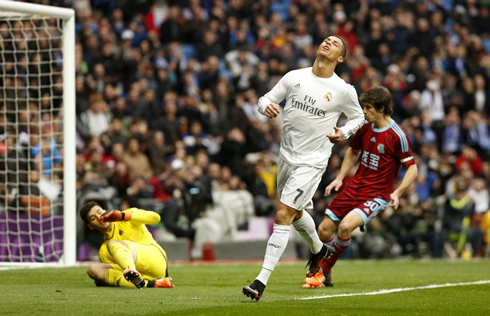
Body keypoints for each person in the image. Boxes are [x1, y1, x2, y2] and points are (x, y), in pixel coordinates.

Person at [242, 35, 365, 301]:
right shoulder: (294, 76)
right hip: (285, 157)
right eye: (326, 39)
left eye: (335, 43)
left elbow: (359, 117)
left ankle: (260, 282)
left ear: (341, 58)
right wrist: (267, 108)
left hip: (312, 161)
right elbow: (264, 100)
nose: (328, 42)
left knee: (284, 212)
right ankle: (320, 250)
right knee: (296, 213)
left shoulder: (343, 89)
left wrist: (343, 132)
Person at [303, 85, 418, 288]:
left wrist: (398, 192)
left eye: (368, 107)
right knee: (324, 230)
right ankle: (325, 272)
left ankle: (323, 271)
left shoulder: (397, 135)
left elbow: (412, 168)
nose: (363, 111)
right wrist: (340, 177)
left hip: (377, 194)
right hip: (355, 187)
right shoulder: (365, 127)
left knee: (345, 227)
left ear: (381, 108)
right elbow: (353, 151)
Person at [79, 201, 174, 289]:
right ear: (91, 226)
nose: (98, 217)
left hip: (156, 259)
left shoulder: (126, 215)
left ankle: (131, 271)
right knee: (93, 270)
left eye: (99, 212)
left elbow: (156, 218)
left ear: (105, 210)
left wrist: (123, 216)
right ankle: (154, 283)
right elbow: (116, 273)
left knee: (112, 243)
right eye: (93, 218)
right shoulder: (103, 252)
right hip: (143, 274)